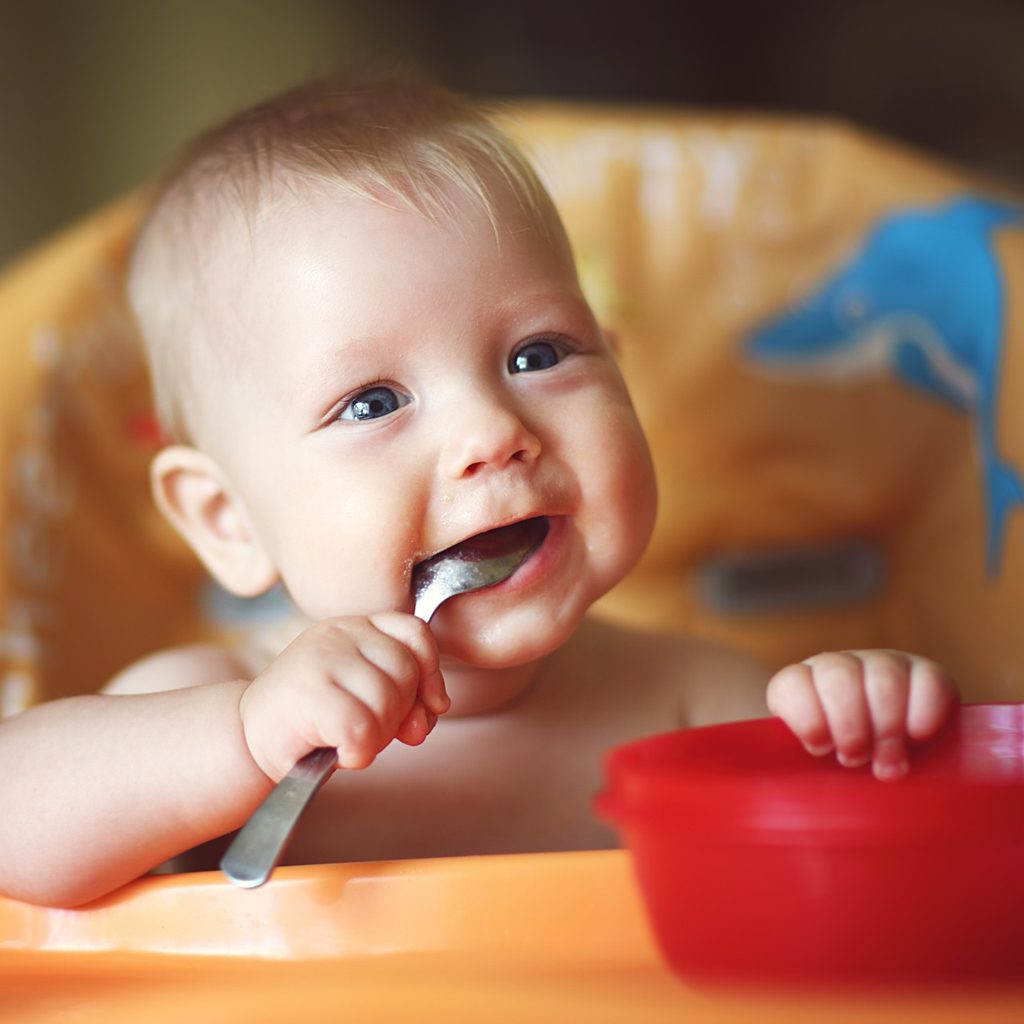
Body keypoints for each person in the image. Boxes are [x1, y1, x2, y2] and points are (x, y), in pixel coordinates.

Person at [0, 72, 957, 908]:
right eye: (373, 402)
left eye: (537, 354)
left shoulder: (695, 699)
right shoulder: (211, 704)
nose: (493, 433)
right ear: (227, 520)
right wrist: (247, 742)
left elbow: (859, 898)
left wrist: (862, 739)